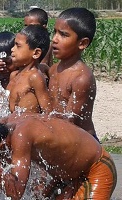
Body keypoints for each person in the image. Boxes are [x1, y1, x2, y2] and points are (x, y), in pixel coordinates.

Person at [0, 112, 117, 199]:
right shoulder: (6, 124)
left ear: (1, 146)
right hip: (66, 177)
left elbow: (15, 192)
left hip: (96, 169)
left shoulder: (21, 135)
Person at [48, 7, 99, 141]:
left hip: (83, 141)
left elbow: (70, 121)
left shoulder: (81, 78)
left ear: (82, 43)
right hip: (60, 133)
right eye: (55, 32)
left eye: (63, 35)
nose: (55, 39)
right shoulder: (53, 69)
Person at [0, 8, 52, 83]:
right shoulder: (21, 41)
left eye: (31, 26)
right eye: (26, 26)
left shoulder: (48, 45)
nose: (28, 29)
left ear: (44, 27)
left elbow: (44, 66)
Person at [6, 25, 51, 113]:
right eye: (14, 45)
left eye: (18, 46)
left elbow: (48, 111)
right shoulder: (14, 75)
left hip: (28, 125)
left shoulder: (35, 77)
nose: (12, 49)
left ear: (36, 53)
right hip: (13, 123)